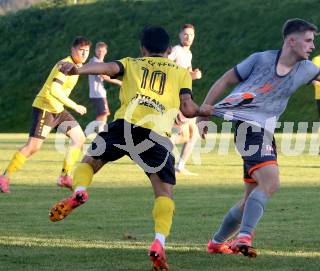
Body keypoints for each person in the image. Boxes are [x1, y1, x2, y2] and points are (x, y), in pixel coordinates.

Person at [197, 18, 320, 257]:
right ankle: (245, 236)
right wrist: (204, 113)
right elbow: (226, 80)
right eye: (308, 40)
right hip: (249, 128)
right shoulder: (259, 59)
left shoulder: (305, 69)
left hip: (264, 131)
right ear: (291, 41)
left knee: (250, 198)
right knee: (271, 182)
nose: (312, 46)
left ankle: (217, 242)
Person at [48, 26, 211, 271]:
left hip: (124, 126)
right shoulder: (180, 72)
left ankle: (80, 190)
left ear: (142, 48)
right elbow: (187, 108)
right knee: (164, 194)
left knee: (90, 161)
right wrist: (204, 112)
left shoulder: (132, 63)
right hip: (157, 135)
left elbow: (107, 68)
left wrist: (78, 69)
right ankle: (158, 242)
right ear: (168, 50)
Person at [0, 37, 91, 193]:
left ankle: (65, 176)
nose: (84, 54)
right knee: (33, 147)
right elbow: (54, 90)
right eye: (81, 50)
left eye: (87, 51)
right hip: (45, 107)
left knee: (79, 138)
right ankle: (4, 177)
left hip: (58, 110)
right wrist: (75, 106)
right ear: (73, 50)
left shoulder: (77, 65)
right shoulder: (65, 65)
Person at [168, 23, 202, 176]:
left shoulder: (188, 54)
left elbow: (185, 74)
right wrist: (191, 75)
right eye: (185, 34)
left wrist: (192, 73)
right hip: (177, 98)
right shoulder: (176, 51)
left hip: (185, 97)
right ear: (180, 35)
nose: (188, 37)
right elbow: (166, 69)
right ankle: (154, 147)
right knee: (183, 134)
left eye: (191, 35)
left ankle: (179, 166)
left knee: (192, 134)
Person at [88, 41, 122, 134]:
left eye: (102, 51)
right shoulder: (94, 61)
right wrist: (119, 82)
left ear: (106, 51)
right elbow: (104, 76)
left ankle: (98, 132)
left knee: (103, 114)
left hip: (99, 93)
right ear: (95, 51)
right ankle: (97, 132)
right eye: (99, 51)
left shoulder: (101, 63)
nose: (101, 53)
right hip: (97, 94)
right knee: (104, 114)